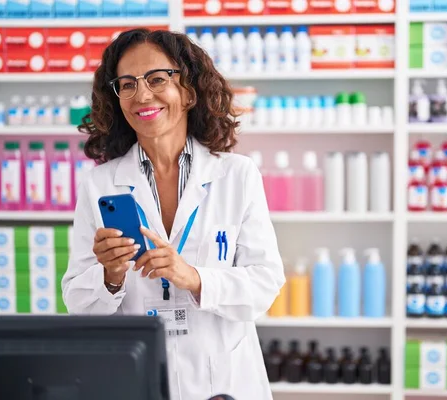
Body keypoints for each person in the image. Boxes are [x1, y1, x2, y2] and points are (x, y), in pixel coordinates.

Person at [62, 28, 285, 400]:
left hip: (222, 381)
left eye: (157, 78)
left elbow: (265, 286)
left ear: (189, 90)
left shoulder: (236, 175)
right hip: (136, 379)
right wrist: (111, 277)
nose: (142, 94)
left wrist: (193, 277)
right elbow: (77, 303)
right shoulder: (100, 184)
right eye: (127, 84)